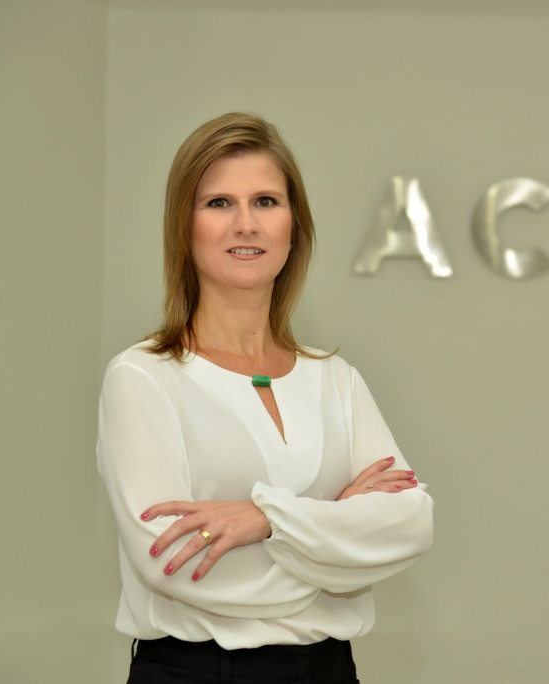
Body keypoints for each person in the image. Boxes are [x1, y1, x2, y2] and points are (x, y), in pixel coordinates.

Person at [96, 112, 434, 684]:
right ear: (184, 227)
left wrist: (266, 521)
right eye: (218, 203)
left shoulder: (336, 379)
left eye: (266, 202)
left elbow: (410, 525)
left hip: (330, 672)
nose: (245, 225)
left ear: (293, 227)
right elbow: (172, 562)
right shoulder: (143, 377)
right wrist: (336, 541)